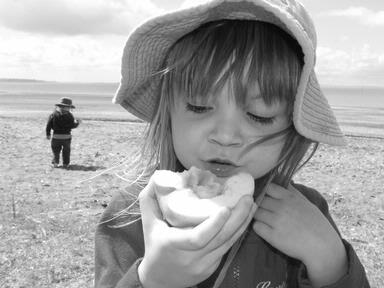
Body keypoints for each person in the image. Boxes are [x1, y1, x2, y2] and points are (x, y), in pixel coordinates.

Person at [94, 0, 371, 287]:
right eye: (199, 106)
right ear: (168, 114)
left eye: (259, 115)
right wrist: (152, 279)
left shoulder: (306, 211)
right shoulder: (133, 215)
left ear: (293, 128)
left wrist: (330, 260)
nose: (225, 137)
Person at [46, 97, 80, 169]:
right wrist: (77, 123)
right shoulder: (69, 115)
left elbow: (48, 125)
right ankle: (65, 164)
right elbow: (71, 125)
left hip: (56, 137)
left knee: (56, 151)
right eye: (69, 107)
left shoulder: (53, 115)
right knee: (66, 151)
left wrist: (48, 134)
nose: (69, 109)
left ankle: (55, 163)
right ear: (66, 107)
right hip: (66, 137)